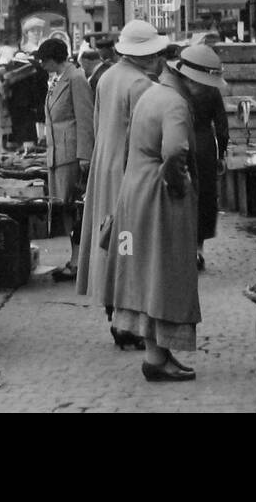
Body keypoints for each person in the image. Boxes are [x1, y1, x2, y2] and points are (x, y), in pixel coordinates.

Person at [108, 42, 226, 382]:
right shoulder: (175, 103)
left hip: (138, 192)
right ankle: (157, 358)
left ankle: (156, 354)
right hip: (159, 197)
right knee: (167, 274)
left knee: (149, 275)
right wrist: (177, 186)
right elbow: (174, 151)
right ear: (194, 80)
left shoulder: (153, 93)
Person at [77, 20, 168, 347]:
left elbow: (100, 125)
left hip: (105, 171)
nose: (160, 58)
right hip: (130, 175)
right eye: (156, 53)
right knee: (132, 246)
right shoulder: (142, 86)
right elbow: (143, 140)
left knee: (110, 243)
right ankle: (127, 323)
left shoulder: (108, 77)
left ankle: (112, 312)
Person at [37, 39, 94, 280]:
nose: (41, 64)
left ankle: (78, 261)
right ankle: (73, 259)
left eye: (44, 59)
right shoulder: (58, 79)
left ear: (54, 58)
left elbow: (85, 118)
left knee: (73, 208)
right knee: (64, 210)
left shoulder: (76, 78)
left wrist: (84, 155)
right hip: (57, 153)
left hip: (71, 154)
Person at [181, 45, 228, 270]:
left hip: (182, 142)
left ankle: (182, 247)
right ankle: (198, 250)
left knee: (183, 195)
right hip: (206, 146)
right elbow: (222, 128)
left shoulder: (179, 88)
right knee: (205, 197)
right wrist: (222, 155)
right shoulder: (212, 90)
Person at [3, 52, 46, 146]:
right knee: (25, 125)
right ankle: (24, 144)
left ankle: (19, 144)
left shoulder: (13, 74)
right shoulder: (32, 72)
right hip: (25, 104)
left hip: (18, 104)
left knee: (22, 125)